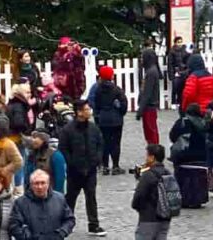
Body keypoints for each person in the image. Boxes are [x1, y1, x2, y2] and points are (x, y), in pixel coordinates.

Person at [57, 99, 105, 236]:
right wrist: (72, 163)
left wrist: (97, 159)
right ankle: (66, 223)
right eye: (86, 109)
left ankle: (94, 225)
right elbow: (63, 149)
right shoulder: (68, 130)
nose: (89, 111)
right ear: (78, 112)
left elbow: (100, 144)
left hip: (90, 169)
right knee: (71, 198)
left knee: (91, 197)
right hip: (74, 171)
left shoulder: (93, 128)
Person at [9, 169, 75, 240]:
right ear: (31, 185)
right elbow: (14, 225)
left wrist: (62, 232)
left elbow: (69, 220)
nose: (40, 187)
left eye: (43, 183)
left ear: (48, 183)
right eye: (36, 183)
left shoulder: (60, 199)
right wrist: (25, 236)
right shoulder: (20, 203)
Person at [131, 143, 176, 240]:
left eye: (147, 155)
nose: (146, 158)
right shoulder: (168, 174)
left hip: (148, 218)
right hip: (165, 219)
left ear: (152, 157)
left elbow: (138, 197)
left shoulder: (148, 175)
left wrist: (140, 209)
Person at [90, 65, 127, 175]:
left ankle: (105, 166)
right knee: (115, 143)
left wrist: (98, 115)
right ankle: (115, 166)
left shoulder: (97, 90)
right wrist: (120, 111)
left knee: (104, 143)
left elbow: (95, 104)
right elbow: (124, 105)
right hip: (116, 120)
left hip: (103, 119)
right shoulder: (117, 90)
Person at [137, 49, 161, 144]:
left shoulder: (151, 72)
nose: (141, 60)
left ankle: (154, 152)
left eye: (143, 58)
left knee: (151, 132)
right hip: (149, 106)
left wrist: (140, 109)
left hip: (149, 106)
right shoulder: (151, 71)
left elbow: (147, 93)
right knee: (150, 131)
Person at [167, 37, 189, 108]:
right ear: (175, 43)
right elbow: (170, 64)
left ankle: (180, 101)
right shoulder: (172, 51)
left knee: (182, 87)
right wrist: (171, 74)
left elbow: (187, 60)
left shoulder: (185, 50)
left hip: (183, 71)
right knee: (175, 87)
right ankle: (173, 102)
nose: (180, 43)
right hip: (175, 71)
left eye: (181, 42)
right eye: (178, 42)